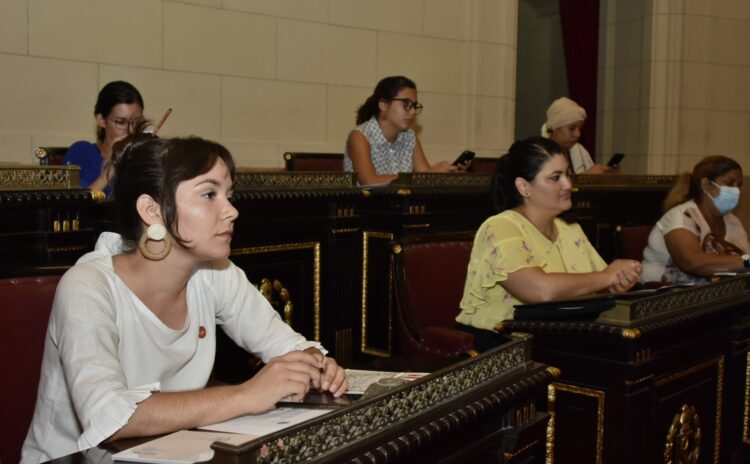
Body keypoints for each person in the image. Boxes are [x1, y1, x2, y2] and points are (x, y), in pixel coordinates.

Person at [21, 129, 348, 463]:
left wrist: (315, 364)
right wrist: (247, 395)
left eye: (228, 195)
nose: (231, 210)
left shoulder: (215, 272)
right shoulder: (87, 287)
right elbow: (112, 417)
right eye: (209, 194)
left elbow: (288, 346)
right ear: (152, 211)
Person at [455, 137, 642, 351]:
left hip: (555, 339)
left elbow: (595, 285)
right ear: (523, 186)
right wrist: (608, 277)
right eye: (555, 177)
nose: (568, 184)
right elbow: (540, 291)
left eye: (567, 174)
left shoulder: (570, 229)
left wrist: (617, 282)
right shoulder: (500, 227)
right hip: (501, 347)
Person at [641, 155, 750, 284]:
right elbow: (691, 262)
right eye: (730, 184)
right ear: (706, 185)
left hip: (712, 293)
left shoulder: (732, 221)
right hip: (660, 292)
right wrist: (746, 262)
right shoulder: (682, 216)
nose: (736, 191)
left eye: (739, 186)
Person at [345, 75, 466, 185]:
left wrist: (448, 173)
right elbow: (369, 181)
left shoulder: (410, 136)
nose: (413, 111)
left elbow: (425, 177)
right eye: (406, 104)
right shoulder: (360, 136)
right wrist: (427, 175)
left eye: (414, 106)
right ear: (383, 104)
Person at [64, 81, 144, 195]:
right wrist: (109, 171)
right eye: (121, 122)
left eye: (136, 122)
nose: (130, 130)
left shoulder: (141, 158)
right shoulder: (82, 152)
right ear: (102, 120)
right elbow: (73, 202)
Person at [541, 96, 615, 175]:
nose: (578, 134)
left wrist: (608, 176)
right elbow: (551, 182)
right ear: (555, 128)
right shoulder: (541, 153)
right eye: (572, 128)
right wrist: (587, 176)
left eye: (580, 129)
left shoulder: (580, 150)